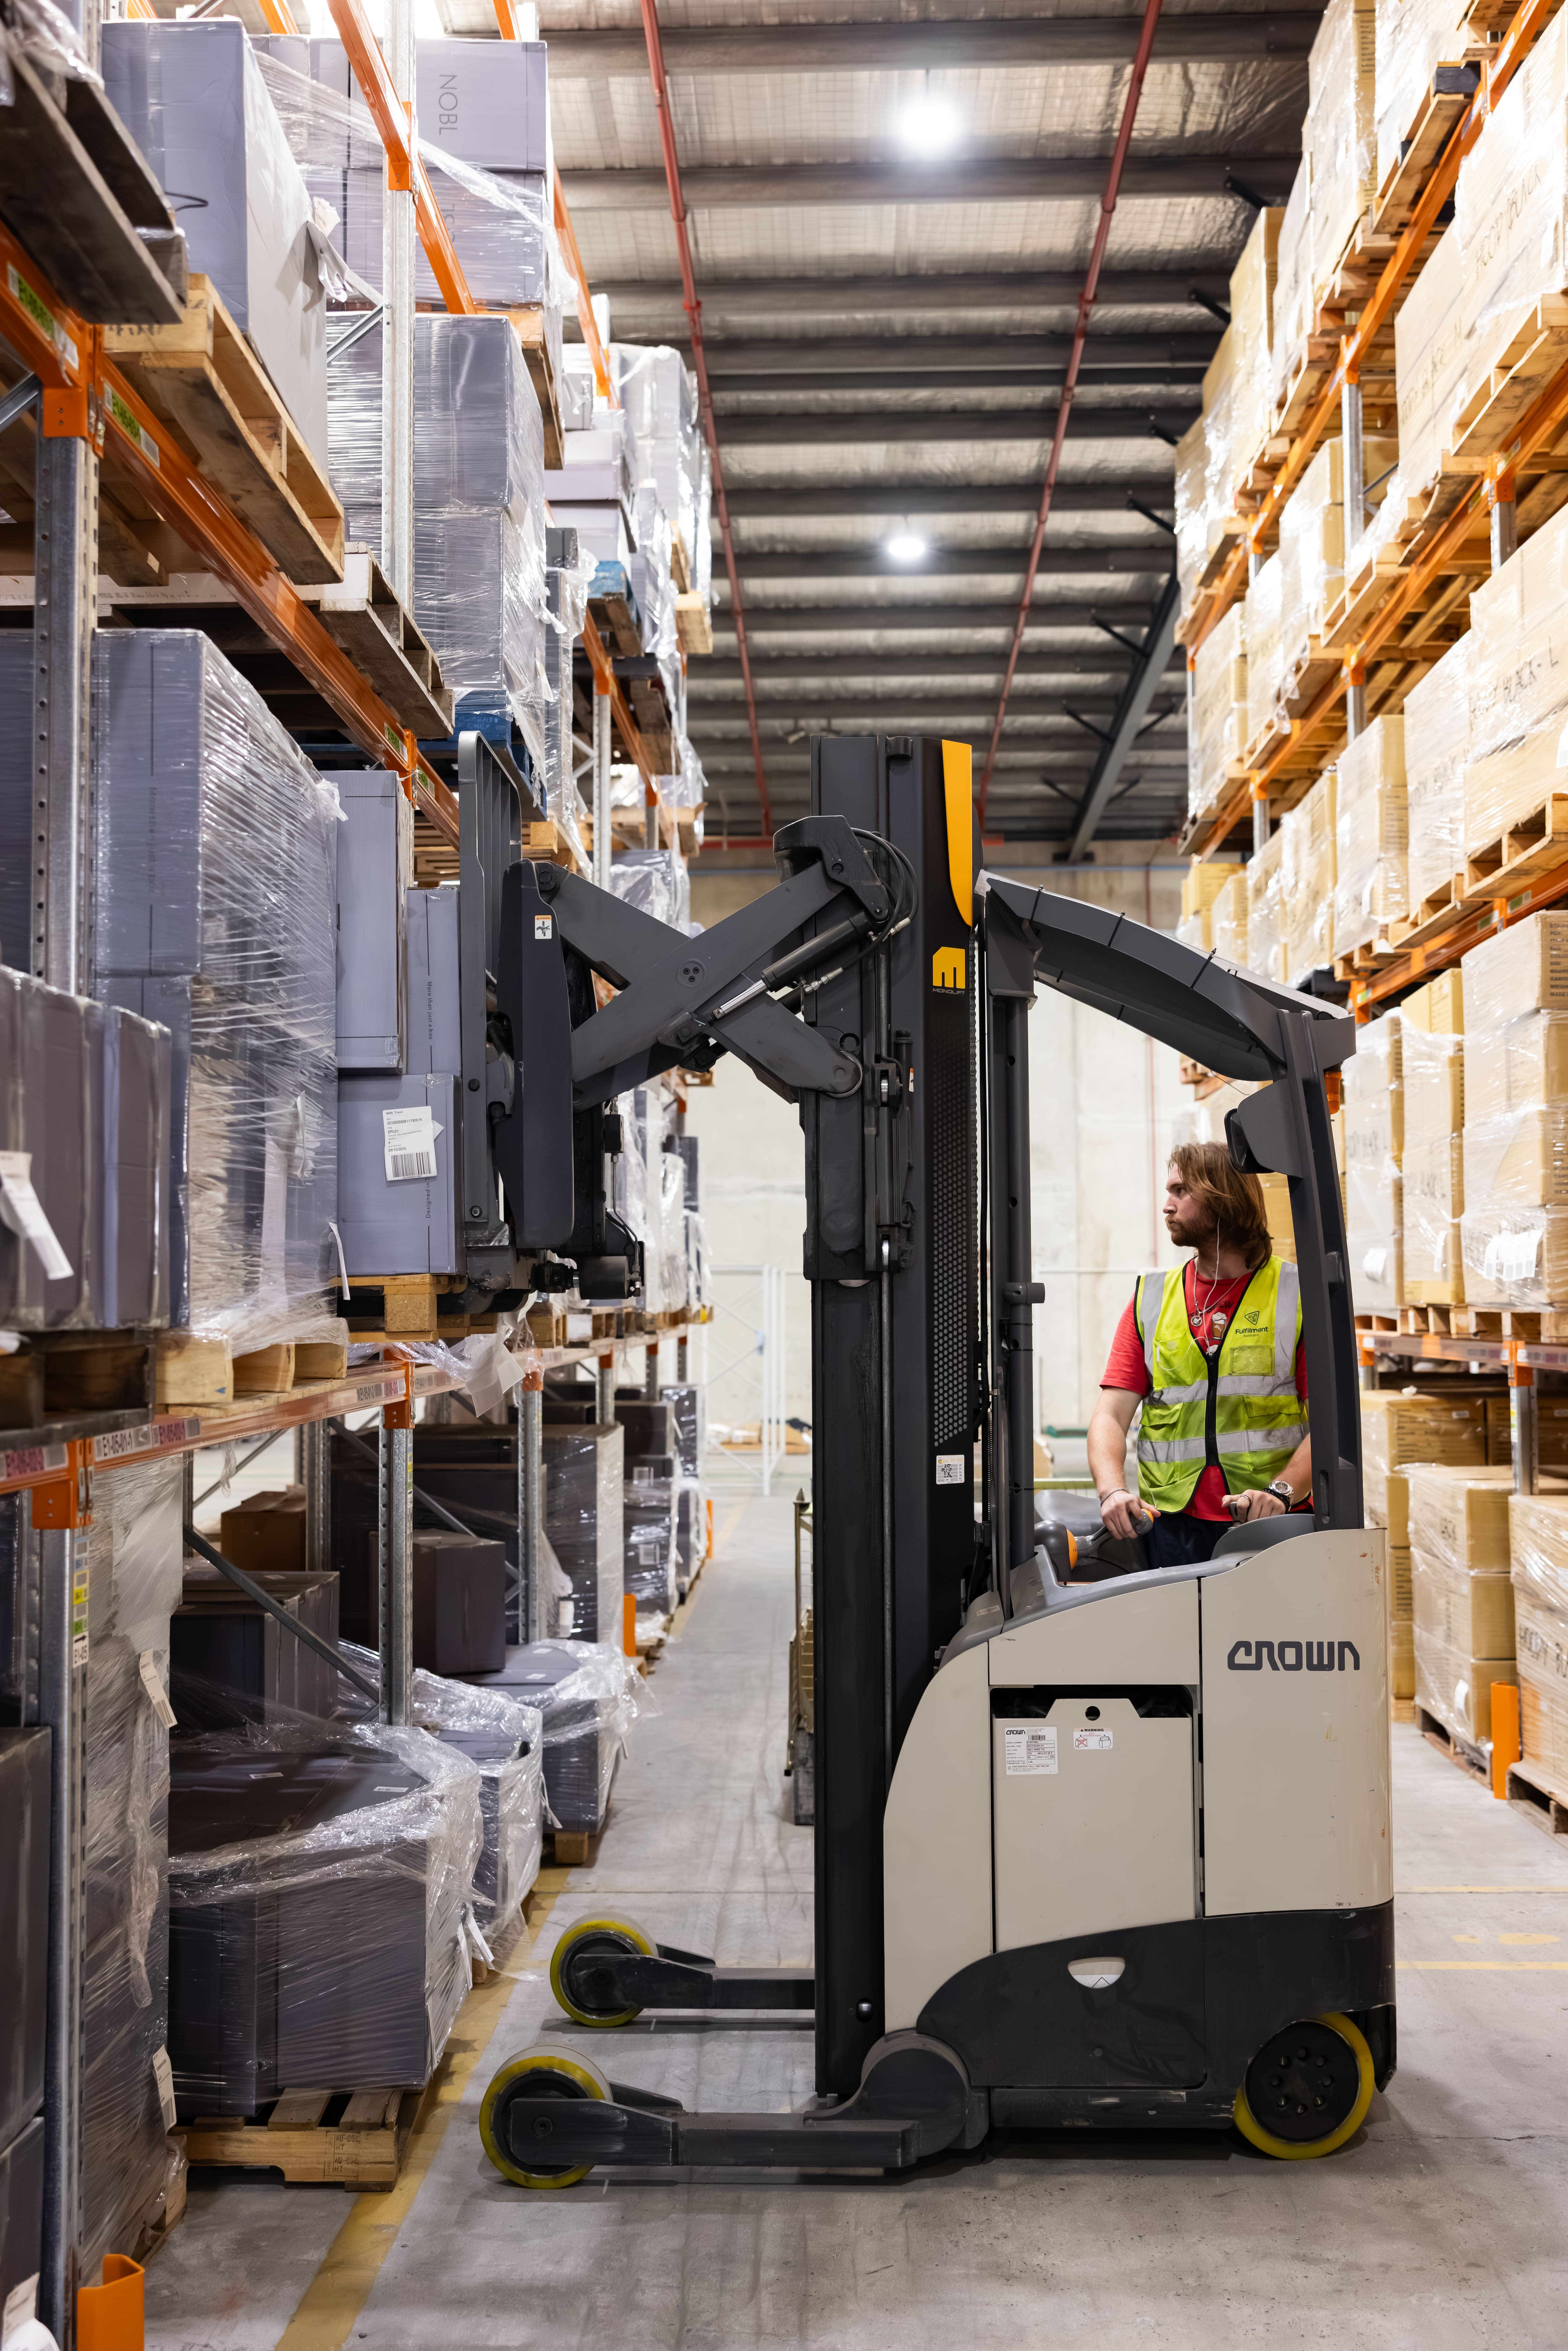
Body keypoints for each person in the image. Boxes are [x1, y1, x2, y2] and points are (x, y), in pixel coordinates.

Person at [1087, 1140, 1312, 1572]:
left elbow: (1331, 1424)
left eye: (1180, 1191)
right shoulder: (1150, 1300)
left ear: (1223, 1195)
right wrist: (1113, 1491)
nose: (1167, 1206)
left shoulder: (1296, 1295)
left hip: (1270, 1521)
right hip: (1171, 1525)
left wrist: (1282, 1492)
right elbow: (1109, 1417)